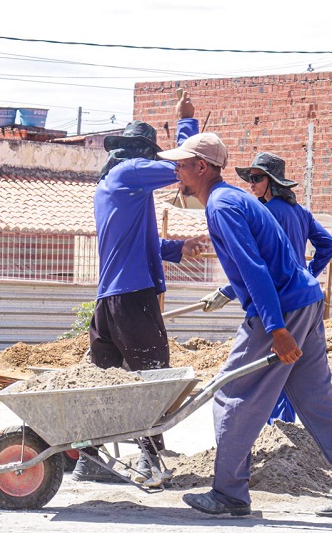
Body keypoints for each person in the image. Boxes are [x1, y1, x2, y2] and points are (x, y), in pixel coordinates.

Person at [157, 132, 332, 518]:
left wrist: (276, 328)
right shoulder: (237, 198)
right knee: (316, 401)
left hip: (281, 309)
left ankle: (229, 493)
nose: (176, 171)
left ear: (202, 167)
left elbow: (254, 268)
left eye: (181, 165)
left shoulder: (223, 206)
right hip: (305, 300)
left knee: (231, 393)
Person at [72, 92, 205, 483]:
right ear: (140, 153)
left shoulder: (114, 187)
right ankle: (149, 460)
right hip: (133, 299)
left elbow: (137, 243)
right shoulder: (130, 172)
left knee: (107, 381)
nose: (153, 163)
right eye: (151, 156)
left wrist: (179, 248)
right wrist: (186, 123)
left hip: (109, 301)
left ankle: (88, 460)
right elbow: (183, 170)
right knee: (152, 377)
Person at [199, 152, 332, 425]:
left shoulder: (263, 212)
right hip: (305, 300)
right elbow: (328, 245)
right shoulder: (302, 213)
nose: (250, 184)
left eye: (256, 178)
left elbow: (256, 265)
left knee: (270, 371)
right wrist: (309, 273)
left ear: (272, 182)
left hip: (277, 301)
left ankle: (275, 430)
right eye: (250, 178)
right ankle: (289, 429)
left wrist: (227, 292)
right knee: (298, 373)